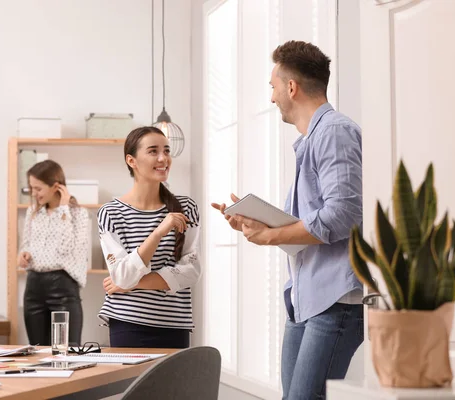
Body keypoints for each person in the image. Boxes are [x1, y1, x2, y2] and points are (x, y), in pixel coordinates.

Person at [212, 41, 363, 400]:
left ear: (291, 87)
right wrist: (261, 227)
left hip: (334, 300)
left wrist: (273, 234)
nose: (272, 97)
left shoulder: (334, 132)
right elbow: (314, 224)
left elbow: (342, 214)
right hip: (306, 296)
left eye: (273, 86)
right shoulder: (312, 139)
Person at [97, 126, 201, 349]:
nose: (163, 158)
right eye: (153, 151)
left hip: (175, 324)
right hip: (127, 323)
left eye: (166, 150)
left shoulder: (186, 208)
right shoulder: (110, 213)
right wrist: (158, 232)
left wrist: (132, 284)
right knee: (133, 386)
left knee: (175, 386)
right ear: (131, 160)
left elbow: (191, 271)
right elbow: (122, 275)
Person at [18, 160, 89, 347]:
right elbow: (26, 244)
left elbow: (67, 249)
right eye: (31, 188)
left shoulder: (78, 214)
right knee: (37, 351)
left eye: (38, 188)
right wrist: (23, 254)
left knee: (66, 350)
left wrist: (63, 208)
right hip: (33, 287)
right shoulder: (33, 212)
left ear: (56, 186)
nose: (34, 194)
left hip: (63, 287)